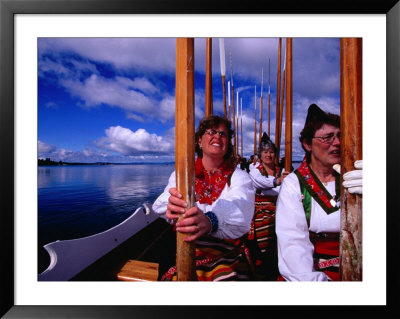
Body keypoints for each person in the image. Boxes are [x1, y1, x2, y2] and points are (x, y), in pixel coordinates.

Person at [152, 115, 255, 281]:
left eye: (223, 134)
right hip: (184, 245)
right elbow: (163, 203)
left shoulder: (240, 177)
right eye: (212, 132)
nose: (217, 137)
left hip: (225, 251)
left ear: (228, 143)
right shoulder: (183, 175)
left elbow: (240, 206)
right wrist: (171, 208)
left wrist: (210, 221)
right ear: (199, 141)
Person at [275, 104, 362, 281]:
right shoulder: (294, 185)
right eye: (328, 137)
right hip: (316, 273)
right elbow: (293, 246)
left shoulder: (355, 176)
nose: (337, 142)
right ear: (307, 144)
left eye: (340, 136)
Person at [246, 133, 289, 280]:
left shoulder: (283, 170)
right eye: (265, 152)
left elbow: (287, 188)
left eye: (271, 152)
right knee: (265, 234)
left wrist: (280, 183)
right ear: (260, 155)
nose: (268, 155)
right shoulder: (255, 171)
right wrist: (277, 182)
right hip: (261, 211)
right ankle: (263, 265)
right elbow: (259, 183)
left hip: (280, 208)